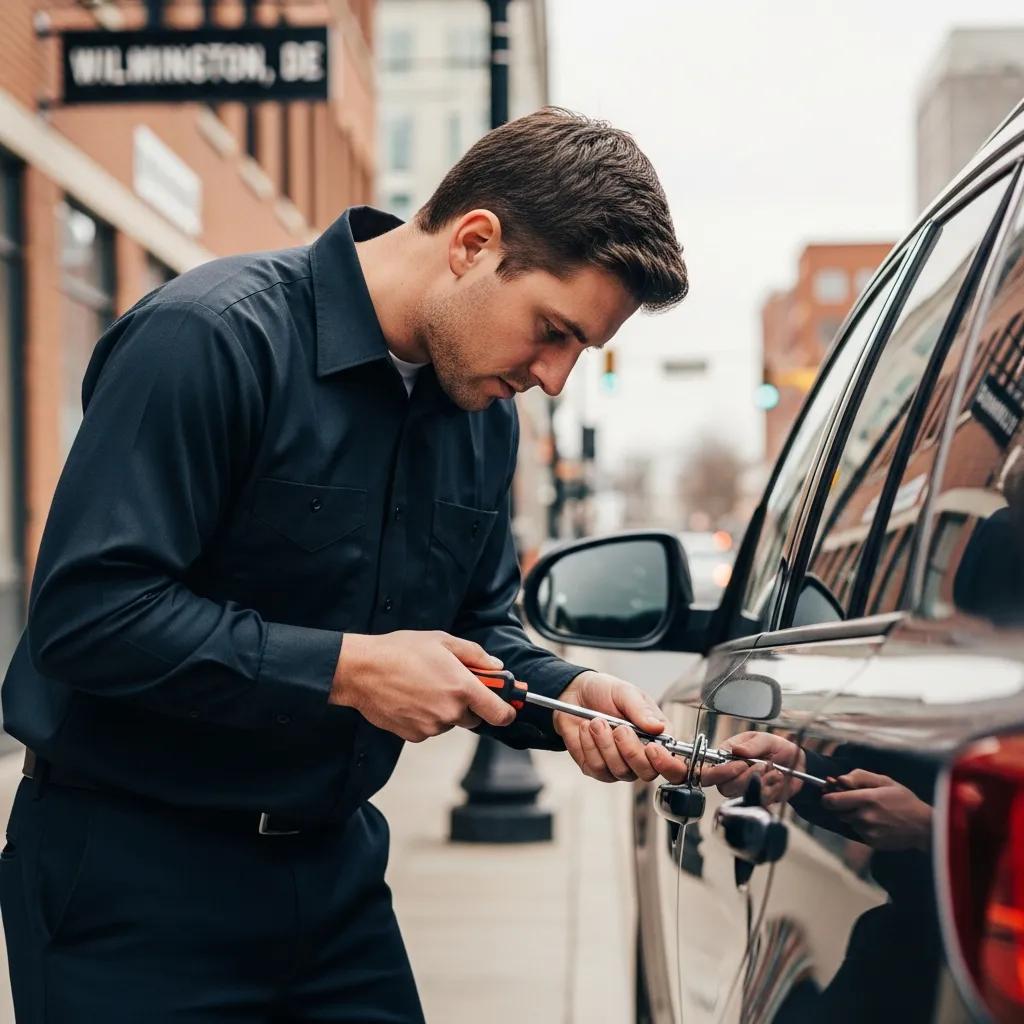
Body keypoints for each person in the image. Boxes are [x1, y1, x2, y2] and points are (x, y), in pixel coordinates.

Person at [0, 108, 688, 1022]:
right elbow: (90, 616)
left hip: (337, 882)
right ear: (473, 244)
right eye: (552, 331)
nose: (554, 378)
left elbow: (476, 631)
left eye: (581, 352)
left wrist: (569, 696)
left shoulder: (482, 419)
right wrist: (349, 670)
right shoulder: (210, 337)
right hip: (131, 886)